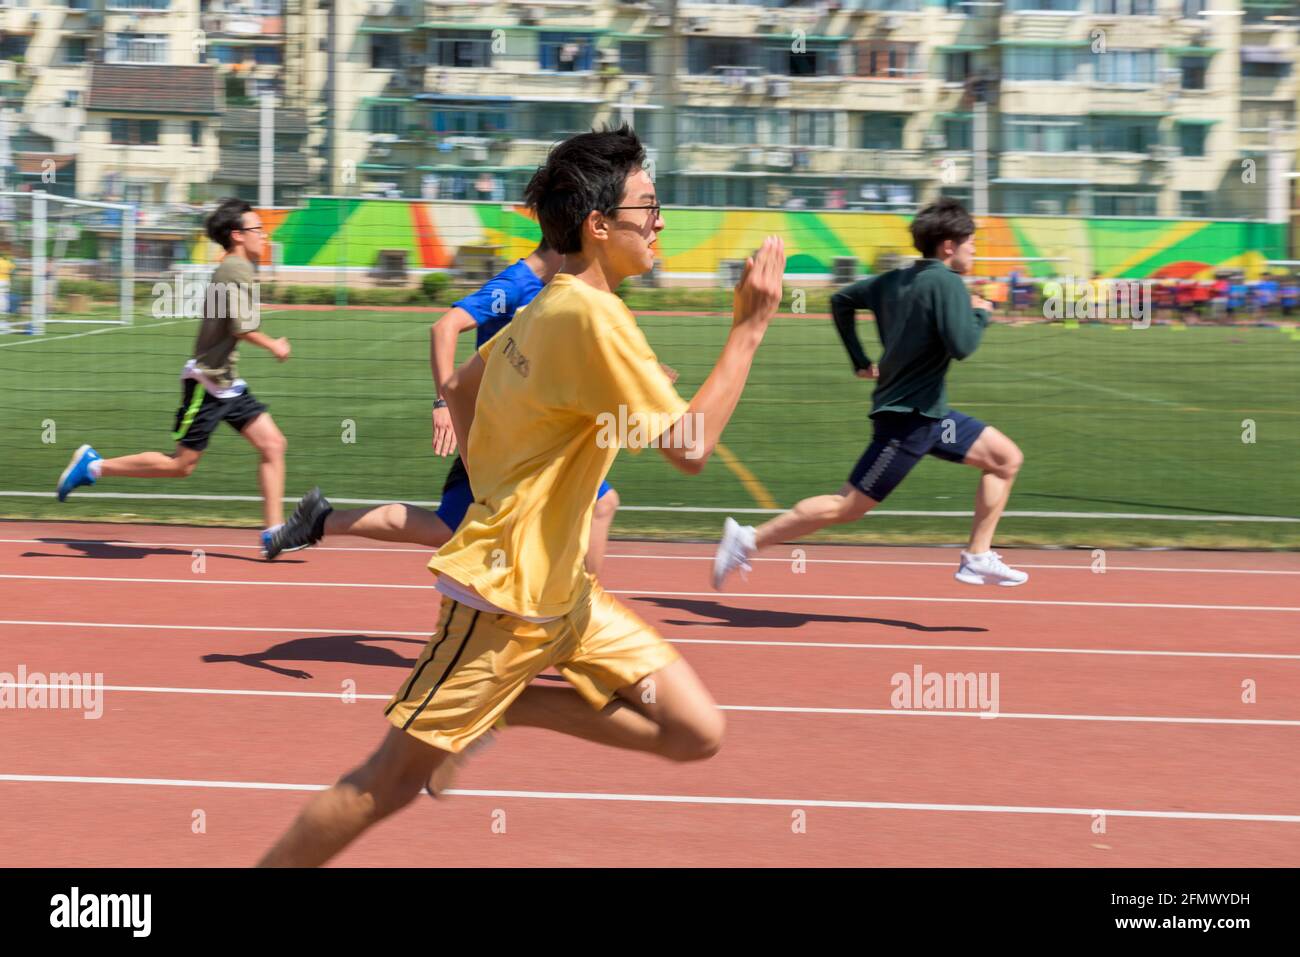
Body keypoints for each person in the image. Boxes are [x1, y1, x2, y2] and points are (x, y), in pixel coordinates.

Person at [257, 124, 786, 867]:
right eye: (649, 207)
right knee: (386, 782)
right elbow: (690, 447)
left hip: (567, 597)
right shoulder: (592, 314)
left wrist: (489, 486)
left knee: (696, 730)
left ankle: (514, 705)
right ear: (599, 227)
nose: (660, 222)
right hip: (501, 607)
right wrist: (750, 327)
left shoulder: (551, 303)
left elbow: (463, 384)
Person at [712, 197, 1028, 590]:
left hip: (931, 416)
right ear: (948, 245)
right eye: (971, 242)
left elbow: (841, 300)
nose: (975, 249)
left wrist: (859, 359)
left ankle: (977, 557)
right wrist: (981, 311)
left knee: (1004, 458)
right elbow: (963, 345)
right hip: (909, 422)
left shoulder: (894, 279)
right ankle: (748, 540)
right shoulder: (946, 282)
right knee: (847, 506)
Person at [263, 237, 624, 576]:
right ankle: (576, 608)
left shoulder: (559, 288)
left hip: (530, 431)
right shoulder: (515, 284)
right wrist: (444, 404)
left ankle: (321, 520)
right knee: (598, 505)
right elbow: (444, 328)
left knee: (446, 527)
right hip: (502, 434)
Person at [56, 198, 293, 555]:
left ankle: (273, 532)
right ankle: (94, 466)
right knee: (180, 466)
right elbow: (242, 327)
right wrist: (274, 345)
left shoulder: (236, 267)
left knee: (273, 444)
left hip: (227, 382)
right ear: (237, 235)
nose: (264, 234)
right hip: (208, 384)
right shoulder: (235, 270)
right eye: (257, 229)